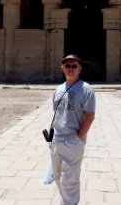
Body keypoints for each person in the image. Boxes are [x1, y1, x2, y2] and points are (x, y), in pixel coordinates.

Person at [50, 54, 96, 205]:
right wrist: (51, 139)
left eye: (74, 66)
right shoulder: (58, 89)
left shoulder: (86, 89)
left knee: (70, 179)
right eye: (67, 66)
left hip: (73, 140)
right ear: (62, 68)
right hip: (56, 140)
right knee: (57, 176)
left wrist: (77, 138)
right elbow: (57, 114)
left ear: (79, 69)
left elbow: (89, 116)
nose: (70, 68)